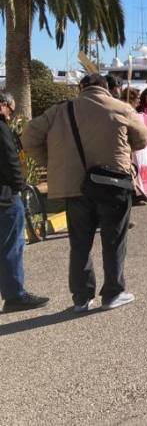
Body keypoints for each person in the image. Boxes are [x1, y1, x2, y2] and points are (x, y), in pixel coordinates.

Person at [22, 74, 147, 312]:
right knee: (114, 240)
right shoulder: (120, 107)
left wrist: (51, 162)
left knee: (80, 244)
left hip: (75, 187)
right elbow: (142, 139)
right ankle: (113, 293)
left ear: (81, 88)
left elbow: (29, 136)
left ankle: (81, 299)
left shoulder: (60, 110)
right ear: (106, 88)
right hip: (113, 184)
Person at [0, 93, 50, 313]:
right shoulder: (1, 128)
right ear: (3, 106)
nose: (11, 114)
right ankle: (15, 295)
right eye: (10, 109)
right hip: (5, 197)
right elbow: (10, 160)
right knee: (11, 246)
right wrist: (20, 186)